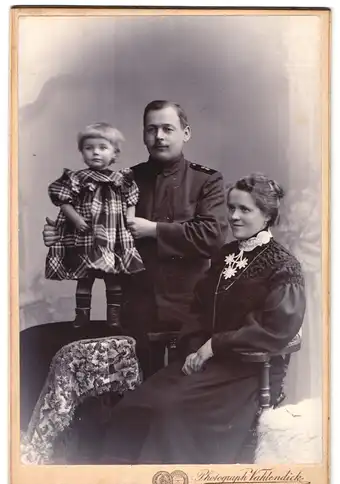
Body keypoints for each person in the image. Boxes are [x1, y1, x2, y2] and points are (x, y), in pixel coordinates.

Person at [95, 173, 306, 465]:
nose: (233, 216)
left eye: (245, 210)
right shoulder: (225, 254)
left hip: (246, 371)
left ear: (268, 215)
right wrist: (195, 348)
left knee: (171, 411)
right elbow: (198, 309)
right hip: (203, 361)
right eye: (231, 208)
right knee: (136, 404)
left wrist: (214, 346)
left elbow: (275, 329)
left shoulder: (283, 266)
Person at [43, 101, 228, 376]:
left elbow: (212, 237)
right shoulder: (122, 180)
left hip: (189, 310)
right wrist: (61, 234)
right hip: (136, 307)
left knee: (179, 394)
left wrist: (154, 229)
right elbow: (96, 230)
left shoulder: (207, 180)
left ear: (185, 133)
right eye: (152, 129)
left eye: (168, 128)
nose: (159, 137)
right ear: (144, 135)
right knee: (131, 391)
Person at [45, 122, 144, 330]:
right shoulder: (77, 178)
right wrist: (77, 220)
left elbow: (131, 202)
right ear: (82, 152)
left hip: (111, 234)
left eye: (102, 148)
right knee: (84, 277)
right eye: (89, 148)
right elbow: (63, 201)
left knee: (113, 277)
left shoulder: (121, 179)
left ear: (114, 153)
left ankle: (113, 317)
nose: (95, 153)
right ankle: (82, 316)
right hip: (86, 235)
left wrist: (129, 223)